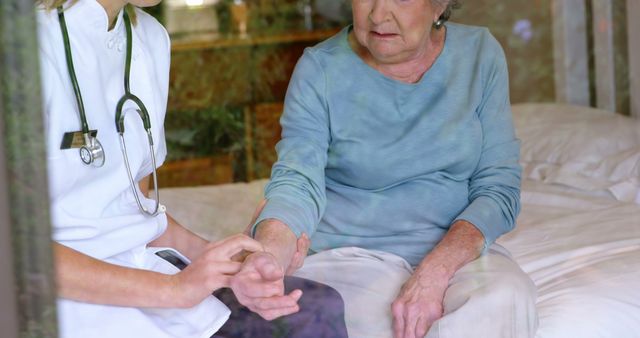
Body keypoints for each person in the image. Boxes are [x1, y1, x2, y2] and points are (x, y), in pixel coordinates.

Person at [37, 0, 347, 337]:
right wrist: (176, 290)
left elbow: (134, 208)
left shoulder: (149, 39)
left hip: (149, 280)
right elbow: (16, 255)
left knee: (318, 310)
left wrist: (232, 264)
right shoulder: (25, 48)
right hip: (65, 302)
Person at [242, 0, 539, 337]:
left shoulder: (479, 54)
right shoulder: (320, 69)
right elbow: (297, 183)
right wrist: (269, 257)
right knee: (367, 320)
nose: (378, 14)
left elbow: (498, 187)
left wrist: (435, 272)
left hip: (456, 252)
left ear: (439, 5)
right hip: (349, 255)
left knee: (505, 297)